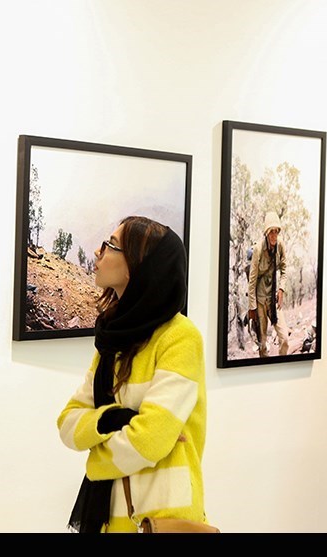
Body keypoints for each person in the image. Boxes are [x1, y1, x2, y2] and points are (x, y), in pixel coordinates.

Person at [57, 216, 209, 533]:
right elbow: (68, 423)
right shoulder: (112, 339)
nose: (98, 251)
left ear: (136, 267)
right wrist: (117, 419)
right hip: (108, 515)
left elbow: (149, 441)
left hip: (161, 514)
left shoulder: (180, 337)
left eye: (111, 245)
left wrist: (94, 459)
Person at [247, 211, 289, 357]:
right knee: (263, 344)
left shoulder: (280, 246)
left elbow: (284, 269)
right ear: (266, 233)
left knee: (284, 339)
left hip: (273, 299)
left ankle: (280, 368)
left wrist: (282, 289)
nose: (274, 235)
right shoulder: (258, 249)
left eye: (276, 231)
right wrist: (252, 307)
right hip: (260, 300)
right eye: (271, 232)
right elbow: (252, 281)